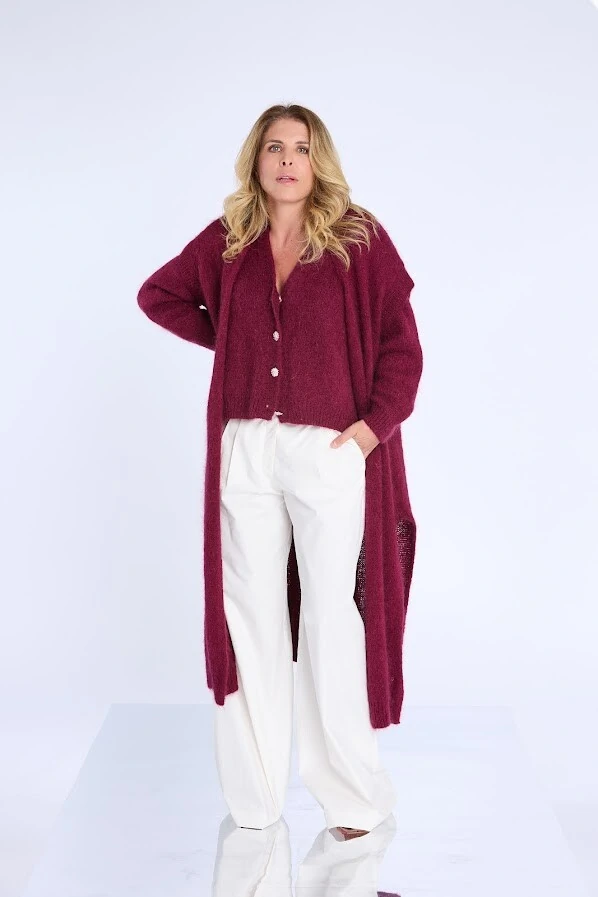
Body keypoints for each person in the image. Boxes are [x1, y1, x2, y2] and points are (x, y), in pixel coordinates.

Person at [137, 103, 424, 840]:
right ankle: (255, 801)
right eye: (274, 147)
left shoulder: (358, 238)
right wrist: (232, 339)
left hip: (329, 450)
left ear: (318, 159)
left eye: (301, 147)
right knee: (249, 617)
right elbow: (157, 295)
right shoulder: (228, 238)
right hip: (246, 446)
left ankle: (352, 798)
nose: (288, 160)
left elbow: (401, 345)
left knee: (332, 616)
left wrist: (372, 428)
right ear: (256, 159)